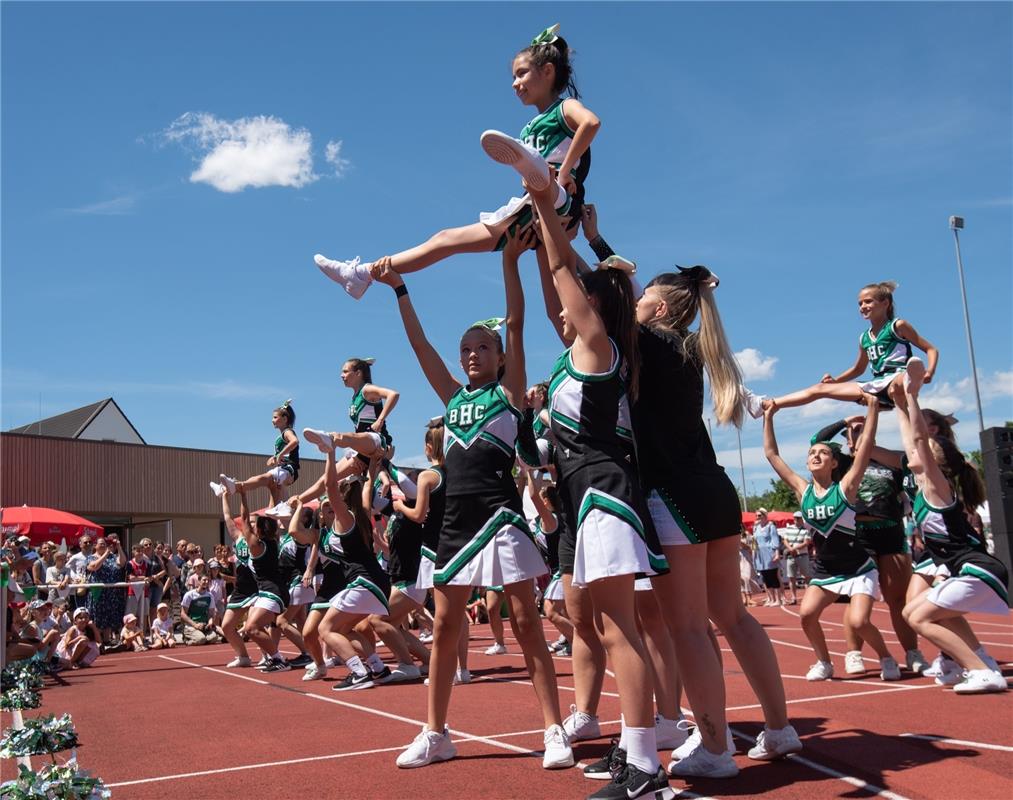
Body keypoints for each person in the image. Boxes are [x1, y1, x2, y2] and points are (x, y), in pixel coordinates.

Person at [372, 225, 572, 772]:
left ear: (501, 357)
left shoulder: (509, 395)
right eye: (466, 349)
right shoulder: (451, 396)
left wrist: (510, 262)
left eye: (482, 347)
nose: (471, 354)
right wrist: (400, 290)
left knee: (528, 622)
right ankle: (436, 733)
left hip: (501, 516)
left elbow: (516, 321)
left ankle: (554, 728)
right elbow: (420, 348)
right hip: (455, 525)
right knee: (444, 629)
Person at [314, 23, 597, 301]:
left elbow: (591, 123)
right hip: (531, 213)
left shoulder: (564, 107)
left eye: (521, 74)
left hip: (558, 200)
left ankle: (539, 175)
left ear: (547, 72)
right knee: (445, 239)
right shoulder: (527, 129)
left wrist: (561, 177)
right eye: (513, 77)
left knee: (541, 198)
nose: (515, 83)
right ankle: (361, 275)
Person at [764, 397, 902, 682]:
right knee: (806, 614)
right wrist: (769, 416)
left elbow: (863, 450)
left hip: (858, 568)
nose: (815, 455)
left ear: (834, 462)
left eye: (822, 453)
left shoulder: (846, 488)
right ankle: (824, 662)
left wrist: (872, 409)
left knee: (859, 621)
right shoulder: (802, 491)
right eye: (812, 452)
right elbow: (771, 454)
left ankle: (887, 657)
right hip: (826, 570)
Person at [894, 359, 1008, 693]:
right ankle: (980, 660)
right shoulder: (921, 483)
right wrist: (899, 403)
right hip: (968, 570)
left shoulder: (935, 483)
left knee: (918, 617)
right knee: (913, 610)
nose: (913, 449)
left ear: (935, 460)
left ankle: (980, 670)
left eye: (922, 448)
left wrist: (913, 395)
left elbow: (917, 436)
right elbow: (910, 436)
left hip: (977, 570)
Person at [754, 281, 938, 413]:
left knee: (898, 383)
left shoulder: (898, 326)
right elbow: (858, 369)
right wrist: (836, 381)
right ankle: (773, 403)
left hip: (898, 376)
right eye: (860, 303)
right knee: (820, 389)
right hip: (875, 384)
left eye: (868, 301)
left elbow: (931, 349)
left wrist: (929, 371)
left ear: (885, 303)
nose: (863, 306)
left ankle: (911, 382)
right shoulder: (864, 337)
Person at [300, 358, 401, 490]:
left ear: (358, 373)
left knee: (347, 439)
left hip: (377, 442)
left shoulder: (367, 389)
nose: (342, 375)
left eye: (345, 371)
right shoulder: (355, 396)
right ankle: (293, 503)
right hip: (362, 447)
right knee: (326, 479)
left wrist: (380, 420)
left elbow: (393, 394)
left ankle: (331, 438)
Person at [213, 402, 300, 507]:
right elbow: (281, 455)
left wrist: (280, 455)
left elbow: (295, 441)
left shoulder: (287, 432)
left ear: (285, 419)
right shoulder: (281, 437)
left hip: (289, 470)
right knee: (276, 507)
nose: (272, 420)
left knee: (263, 478)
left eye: (275, 417)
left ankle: (233, 486)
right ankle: (226, 488)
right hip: (283, 470)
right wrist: (274, 458)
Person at [85, 535, 127, 647]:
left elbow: (122, 563)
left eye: (105, 543)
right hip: (97, 592)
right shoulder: (91, 557)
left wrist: (119, 547)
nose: (104, 545)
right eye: (101, 543)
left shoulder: (112, 556)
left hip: (111, 592)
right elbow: (94, 567)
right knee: (97, 616)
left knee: (109, 615)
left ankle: (107, 639)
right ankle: (98, 640)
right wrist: (105, 554)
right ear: (95, 546)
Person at [753, 509, 784, 607]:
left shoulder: (771, 526)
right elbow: (755, 541)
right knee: (765, 577)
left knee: (773, 575)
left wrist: (777, 553)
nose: (758, 518)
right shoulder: (756, 528)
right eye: (757, 516)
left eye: (759, 515)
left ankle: (778, 599)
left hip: (769, 552)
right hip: (760, 553)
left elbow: (775, 540)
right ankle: (771, 598)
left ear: (765, 516)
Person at [780, 512, 812, 605]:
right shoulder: (789, 528)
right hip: (791, 556)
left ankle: (808, 597)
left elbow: (807, 542)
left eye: (798, 518)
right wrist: (790, 549)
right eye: (795, 518)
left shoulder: (806, 530)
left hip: (802, 555)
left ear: (802, 519)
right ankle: (794, 598)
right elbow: (785, 540)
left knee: (806, 577)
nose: (796, 520)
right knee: (791, 577)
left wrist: (794, 548)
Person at [181, 575, 223, 646]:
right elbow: (183, 614)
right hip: (191, 625)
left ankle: (201, 636)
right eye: (204, 580)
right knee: (200, 640)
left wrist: (210, 621)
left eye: (208, 581)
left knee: (213, 638)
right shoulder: (189, 595)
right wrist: (195, 625)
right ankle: (187, 639)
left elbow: (211, 613)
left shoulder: (210, 596)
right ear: (199, 581)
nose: (206, 582)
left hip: (204, 625)